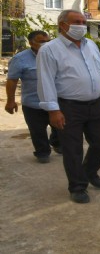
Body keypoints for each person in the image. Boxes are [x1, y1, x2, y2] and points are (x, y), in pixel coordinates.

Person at [37, 10, 100, 204]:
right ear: (62, 25)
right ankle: (77, 186)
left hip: (97, 103)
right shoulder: (49, 50)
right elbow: (45, 81)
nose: (81, 25)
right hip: (69, 106)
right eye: (76, 22)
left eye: (83, 21)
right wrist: (53, 110)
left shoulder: (92, 45)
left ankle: (89, 172)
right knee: (72, 149)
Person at [5, 30, 60, 163]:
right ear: (31, 43)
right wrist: (10, 101)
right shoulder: (20, 59)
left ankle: (57, 143)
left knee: (60, 127)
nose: (45, 44)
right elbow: (12, 80)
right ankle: (42, 152)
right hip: (33, 104)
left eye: (48, 41)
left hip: (55, 101)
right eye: (42, 41)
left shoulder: (56, 56)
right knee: (37, 131)